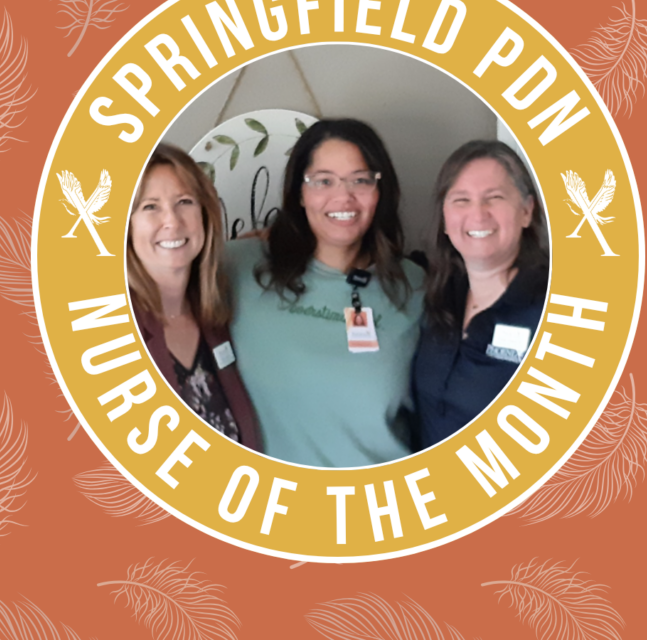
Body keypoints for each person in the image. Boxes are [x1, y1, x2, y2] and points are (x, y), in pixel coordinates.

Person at [224, 119, 424, 467]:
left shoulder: (416, 284)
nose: (343, 196)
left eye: (360, 180)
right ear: (300, 193)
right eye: (323, 181)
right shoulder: (238, 266)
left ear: (380, 191)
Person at [412, 140, 549, 449]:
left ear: (526, 211)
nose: (478, 214)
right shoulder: (436, 296)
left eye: (494, 198)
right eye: (461, 200)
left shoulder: (558, 307)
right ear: (444, 217)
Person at [128, 144, 261, 450]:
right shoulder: (107, 327)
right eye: (150, 207)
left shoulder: (217, 315)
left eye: (184, 202)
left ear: (204, 214)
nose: (172, 221)